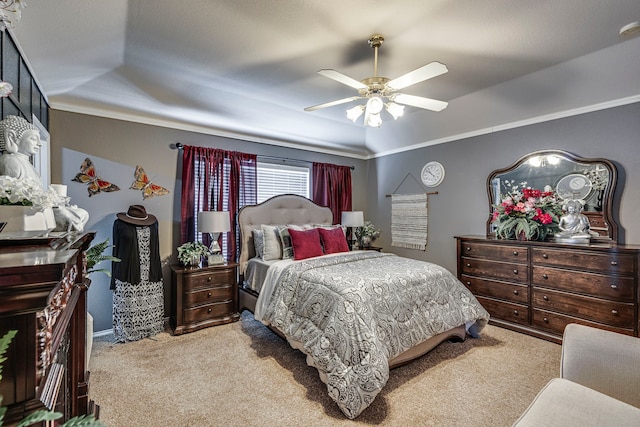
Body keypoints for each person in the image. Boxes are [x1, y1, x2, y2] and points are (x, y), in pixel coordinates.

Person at [0, 115, 89, 232]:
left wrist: (56, 202)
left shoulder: (28, 163)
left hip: (39, 209)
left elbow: (38, 194)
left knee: (83, 213)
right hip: (26, 213)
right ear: (11, 137)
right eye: (33, 139)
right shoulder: (10, 161)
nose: (39, 144)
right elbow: (17, 196)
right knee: (65, 216)